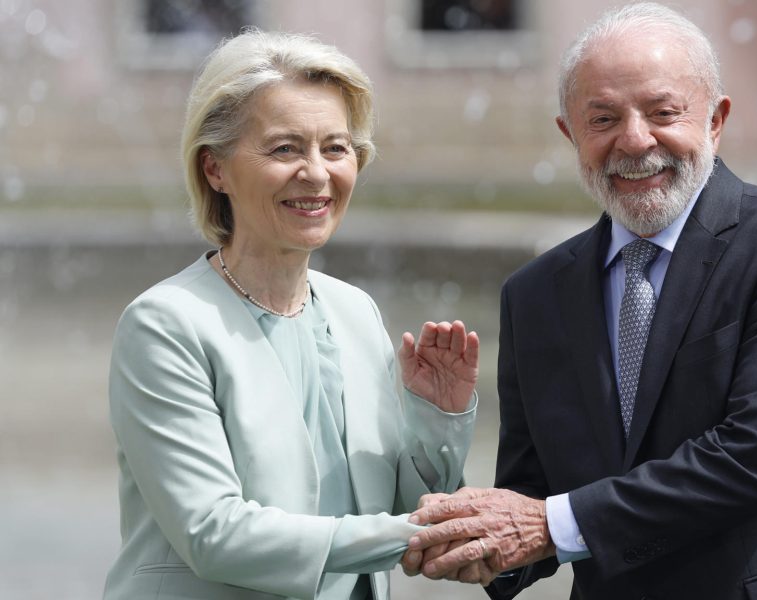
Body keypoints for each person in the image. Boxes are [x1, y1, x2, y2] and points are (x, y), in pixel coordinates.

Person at [403, 3, 757, 599]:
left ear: (716, 120)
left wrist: (548, 527)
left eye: (664, 113)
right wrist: (462, 493)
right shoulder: (534, 294)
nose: (635, 140)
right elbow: (530, 503)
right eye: (603, 119)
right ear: (569, 133)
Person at [103, 29, 480, 600]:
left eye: (335, 147)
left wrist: (437, 420)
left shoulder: (355, 311)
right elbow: (215, 534)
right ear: (215, 170)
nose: (317, 173)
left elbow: (395, 504)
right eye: (285, 149)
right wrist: (435, 532)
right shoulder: (164, 324)